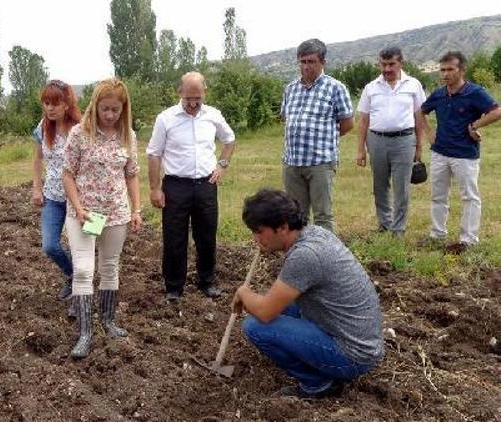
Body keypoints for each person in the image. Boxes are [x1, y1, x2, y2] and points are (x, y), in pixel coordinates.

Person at [233, 189, 384, 399]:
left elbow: (265, 312)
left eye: (259, 231)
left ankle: (318, 385)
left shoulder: (305, 256)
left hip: (354, 355)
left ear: (283, 227)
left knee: (256, 326)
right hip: (356, 336)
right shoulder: (313, 233)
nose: (255, 238)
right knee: (278, 304)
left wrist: (243, 292)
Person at [62, 78, 142, 359]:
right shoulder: (79, 134)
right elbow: (68, 173)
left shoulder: (127, 136)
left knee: (110, 266)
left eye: (115, 110)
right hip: (85, 214)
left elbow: (131, 174)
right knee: (84, 269)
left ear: (124, 109)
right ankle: (85, 333)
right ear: (94, 106)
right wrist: (79, 206)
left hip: (115, 213)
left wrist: (136, 209)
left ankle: (109, 321)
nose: (110, 115)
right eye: (105, 109)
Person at [146, 72, 235, 302]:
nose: (193, 104)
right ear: (180, 93)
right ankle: (174, 286)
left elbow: (229, 139)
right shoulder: (165, 118)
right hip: (176, 186)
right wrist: (155, 188)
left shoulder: (213, 115)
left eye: (198, 98)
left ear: (205, 92)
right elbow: (154, 154)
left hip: (206, 184)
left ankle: (207, 281)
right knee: (174, 236)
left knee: (207, 235)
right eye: (188, 99)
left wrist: (222, 165)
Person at [418, 51, 501, 252]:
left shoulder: (475, 92)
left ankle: (468, 240)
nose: (445, 74)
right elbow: (420, 111)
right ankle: (437, 235)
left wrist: (475, 125)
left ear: (461, 70)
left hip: (465, 154)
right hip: (440, 153)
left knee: (470, 197)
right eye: (442, 70)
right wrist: (429, 133)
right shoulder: (438, 94)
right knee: (438, 195)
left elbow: (497, 111)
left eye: (450, 69)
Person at [281, 39, 354, 232]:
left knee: (323, 216)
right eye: (303, 61)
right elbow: (286, 118)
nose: (306, 66)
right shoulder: (290, 89)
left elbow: (347, 123)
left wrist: (325, 138)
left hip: (320, 162)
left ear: (323, 62)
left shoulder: (335, 88)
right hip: (293, 162)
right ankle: (301, 256)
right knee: (296, 215)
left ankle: (325, 257)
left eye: (311, 61)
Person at [356, 46, 426, 236]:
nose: (387, 69)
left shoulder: (413, 85)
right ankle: (384, 224)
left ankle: (398, 229)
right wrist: (361, 149)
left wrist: (420, 145)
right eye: (383, 64)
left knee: (401, 187)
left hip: (405, 141)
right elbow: (363, 120)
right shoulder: (371, 88)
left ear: (400, 63)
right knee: (379, 185)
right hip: (376, 141)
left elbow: (419, 117)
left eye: (391, 64)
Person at [31, 80, 82, 301]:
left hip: (77, 199)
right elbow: (38, 158)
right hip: (52, 196)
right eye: (46, 103)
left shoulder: (79, 130)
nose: (50, 108)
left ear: (67, 104)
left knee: (82, 245)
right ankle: (73, 274)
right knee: (50, 245)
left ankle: (82, 285)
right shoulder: (43, 127)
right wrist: (36, 187)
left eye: (55, 103)